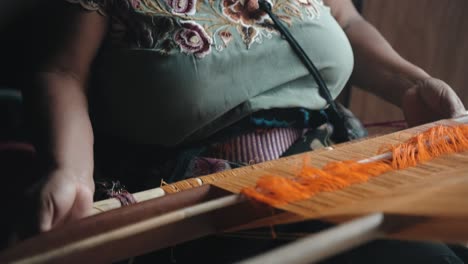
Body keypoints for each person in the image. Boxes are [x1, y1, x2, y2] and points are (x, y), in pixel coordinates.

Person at [1, 0, 466, 262]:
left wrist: (415, 84)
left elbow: (343, 20)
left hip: (331, 166)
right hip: (207, 198)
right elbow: (61, 73)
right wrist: (71, 172)